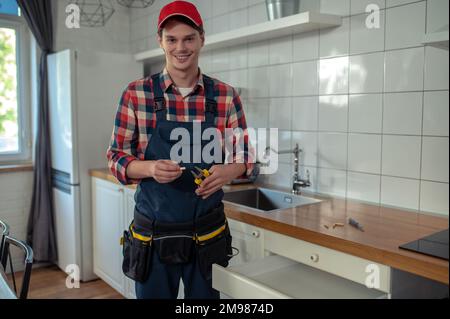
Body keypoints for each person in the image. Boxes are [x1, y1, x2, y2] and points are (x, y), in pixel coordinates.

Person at [106, 0, 254, 299]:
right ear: (160, 41)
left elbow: (245, 156)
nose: (180, 47)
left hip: (208, 235)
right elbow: (116, 157)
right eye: (171, 39)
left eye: (189, 38)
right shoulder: (137, 93)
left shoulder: (225, 96)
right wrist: (149, 168)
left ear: (202, 39)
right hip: (154, 236)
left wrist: (230, 170)